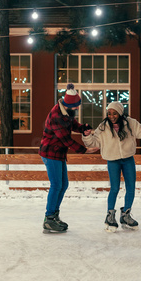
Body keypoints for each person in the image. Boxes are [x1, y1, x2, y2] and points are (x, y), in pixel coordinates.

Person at [82, 101, 141, 232]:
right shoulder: (103, 127)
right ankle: (110, 216)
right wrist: (87, 135)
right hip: (112, 161)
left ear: (120, 113)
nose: (111, 116)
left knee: (131, 187)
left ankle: (126, 215)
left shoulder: (130, 124)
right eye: (109, 113)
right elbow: (94, 143)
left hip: (128, 159)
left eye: (114, 113)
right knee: (115, 188)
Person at [39, 83, 99, 234]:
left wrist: (82, 128)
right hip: (50, 153)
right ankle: (49, 219)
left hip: (59, 154)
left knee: (63, 184)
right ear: (69, 105)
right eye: (76, 107)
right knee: (56, 185)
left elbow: (72, 124)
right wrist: (85, 150)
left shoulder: (65, 111)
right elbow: (67, 140)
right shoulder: (57, 116)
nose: (77, 109)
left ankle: (55, 215)